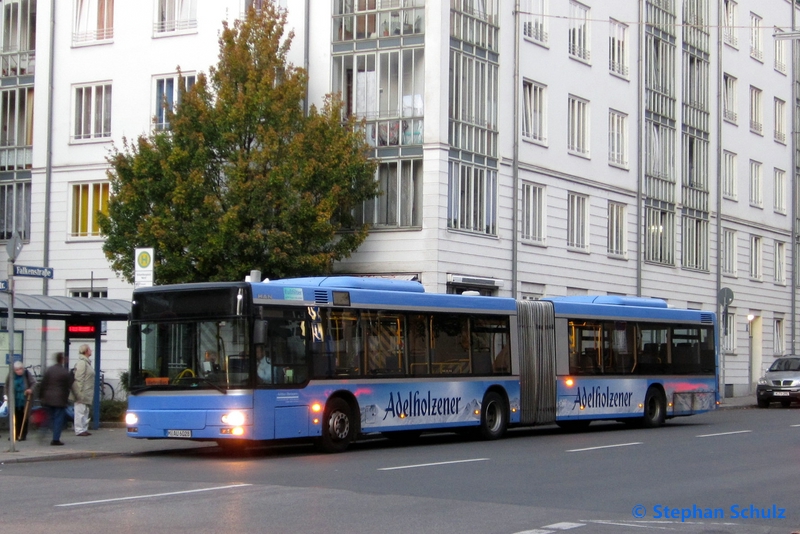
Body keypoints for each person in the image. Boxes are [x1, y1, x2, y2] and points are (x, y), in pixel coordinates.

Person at [38, 352, 72, 446]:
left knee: (48, 417)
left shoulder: (50, 370)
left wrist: (41, 396)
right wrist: (72, 398)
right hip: (60, 400)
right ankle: (55, 439)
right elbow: (69, 386)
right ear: (62, 360)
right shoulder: (64, 372)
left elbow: (43, 384)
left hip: (48, 398)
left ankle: (42, 432)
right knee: (58, 420)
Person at [5, 361, 36, 441]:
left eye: (20, 369)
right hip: (14, 399)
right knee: (14, 417)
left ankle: (22, 434)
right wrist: (6, 396)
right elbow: (7, 386)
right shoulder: (11, 376)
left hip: (25, 400)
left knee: (24, 417)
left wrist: (30, 389)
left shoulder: (26, 374)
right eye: (17, 370)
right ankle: (14, 434)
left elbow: (33, 383)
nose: (19, 371)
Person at [71, 344, 95, 437]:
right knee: (80, 411)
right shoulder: (82, 362)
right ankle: (79, 430)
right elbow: (79, 378)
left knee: (85, 411)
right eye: (89, 349)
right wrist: (78, 392)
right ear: (86, 351)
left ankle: (84, 428)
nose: (91, 350)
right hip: (82, 392)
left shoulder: (86, 362)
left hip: (86, 391)